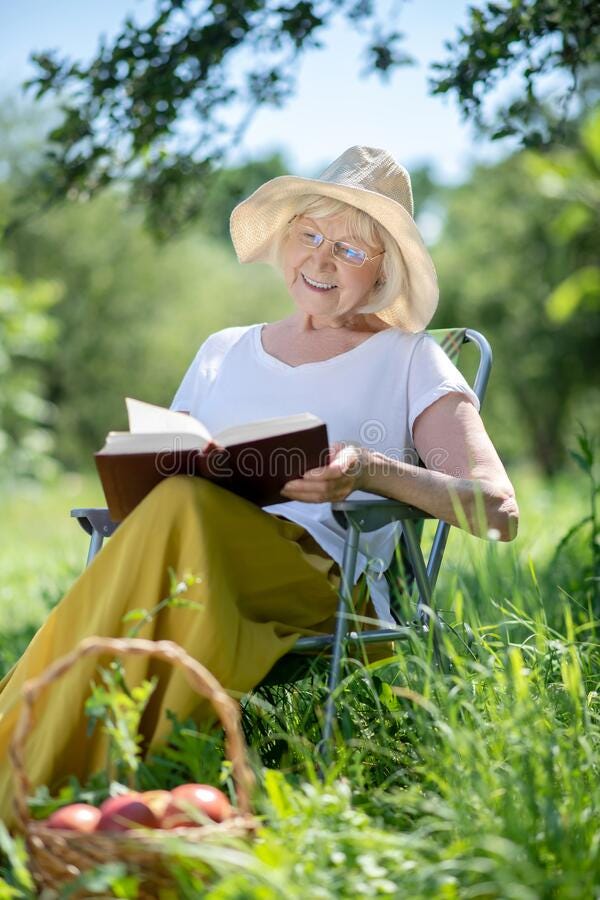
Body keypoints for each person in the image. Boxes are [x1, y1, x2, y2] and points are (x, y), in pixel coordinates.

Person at [0, 146, 518, 822]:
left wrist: (370, 470)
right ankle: (55, 778)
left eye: (350, 250)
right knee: (178, 502)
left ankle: (64, 787)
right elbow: (173, 463)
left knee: (185, 504)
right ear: (286, 238)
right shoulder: (222, 350)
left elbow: (498, 510)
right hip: (191, 556)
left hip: (322, 582)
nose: (321, 259)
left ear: (384, 267)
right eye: (310, 235)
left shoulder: (409, 359)